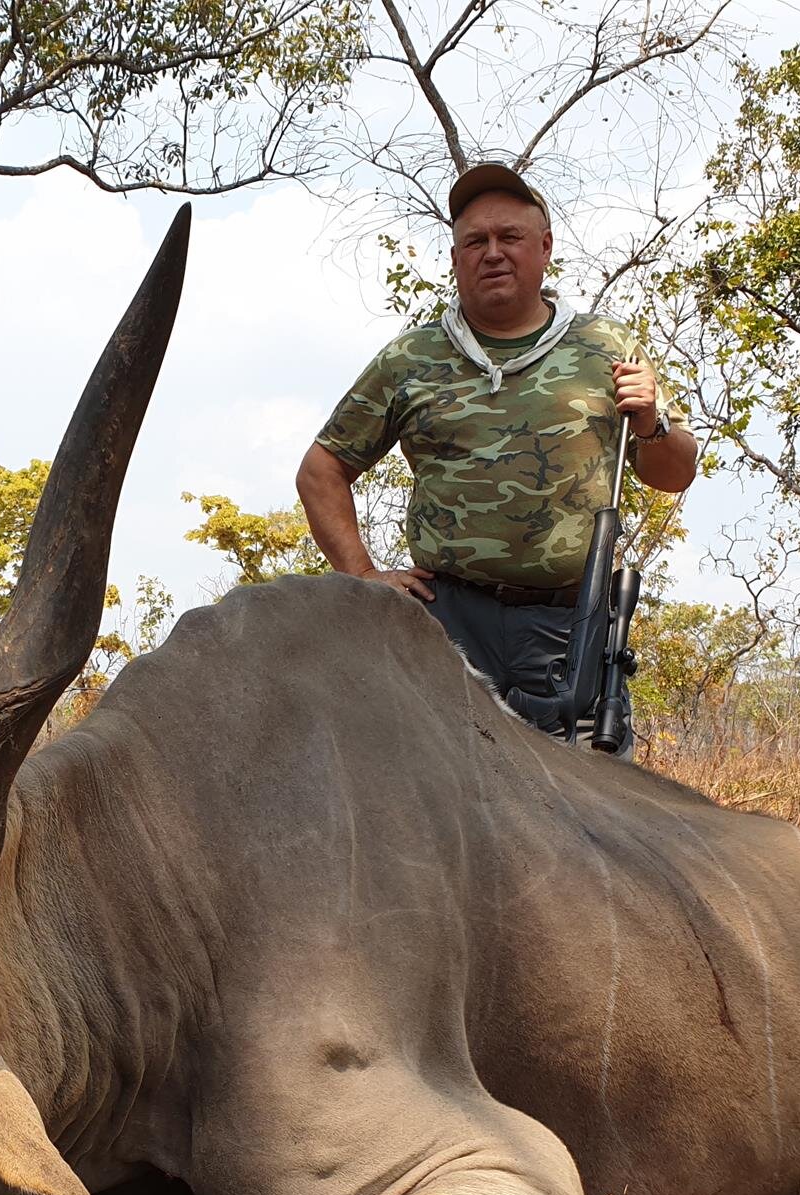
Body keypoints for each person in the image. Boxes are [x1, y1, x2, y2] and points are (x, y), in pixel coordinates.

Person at [297, 162, 698, 754]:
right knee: (431, 807)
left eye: (509, 237)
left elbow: (675, 472)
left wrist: (652, 422)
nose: (493, 253)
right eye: (474, 241)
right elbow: (321, 470)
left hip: (569, 629)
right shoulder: (410, 358)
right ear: (456, 258)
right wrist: (363, 576)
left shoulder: (607, 347)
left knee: (589, 817)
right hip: (444, 626)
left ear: (544, 248)